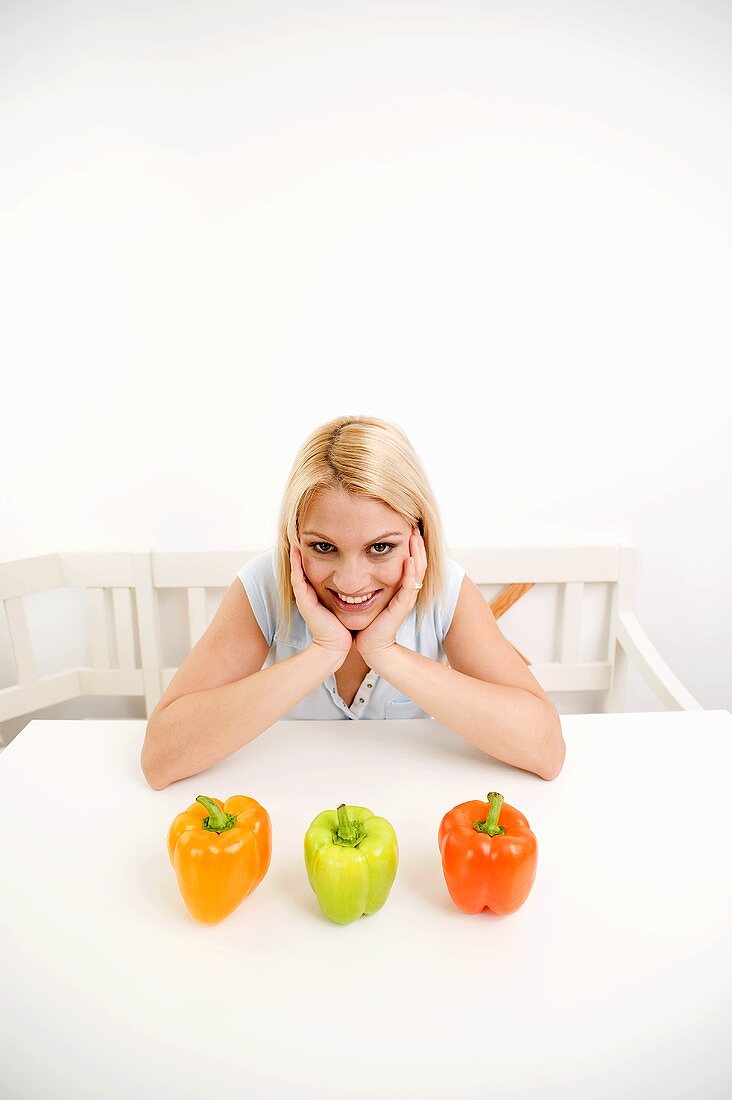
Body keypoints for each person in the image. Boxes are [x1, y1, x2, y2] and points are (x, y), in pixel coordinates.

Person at [141, 415, 565, 788]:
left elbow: (545, 750)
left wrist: (385, 652)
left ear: (419, 537)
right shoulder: (266, 586)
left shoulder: (445, 591)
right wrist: (322, 653)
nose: (350, 582)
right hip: (290, 805)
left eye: (380, 547)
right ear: (294, 538)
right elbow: (160, 759)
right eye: (323, 547)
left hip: (408, 807)